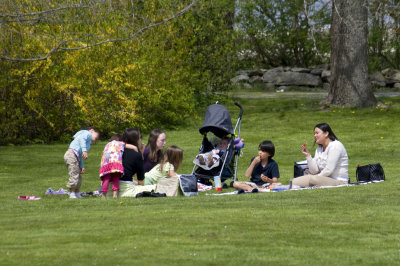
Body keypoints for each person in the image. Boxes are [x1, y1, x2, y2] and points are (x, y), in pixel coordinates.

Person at [292, 123, 349, 187]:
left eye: (317, 133)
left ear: (326, 133)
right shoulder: (319, 149)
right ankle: (293, 183)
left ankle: (294, 184)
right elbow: (314, 171)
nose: (314, 135)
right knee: (305, 177)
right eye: (314, 133)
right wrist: (308, 156)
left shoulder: (335, 146)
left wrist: (316, 177)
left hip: (339, 181)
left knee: (312, 178)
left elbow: (329, 170)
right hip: (323, 178)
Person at [113, 128, 156, 197]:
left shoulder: (115, 151)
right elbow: (141, 180)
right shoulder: (135, 155)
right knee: (155, 187)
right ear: (137, 140)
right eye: (140, 138)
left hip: (110, 189)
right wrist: (141, 155)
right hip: (125, 190)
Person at [64, 127, 99, 199]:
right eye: (96, 136)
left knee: (78, 177)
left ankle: (77, 192)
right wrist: (84, 150)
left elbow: (80, 155)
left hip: (76, 157)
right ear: (92, 131)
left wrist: (81, 165)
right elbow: (82, 139)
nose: (96, 139)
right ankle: (72, 193)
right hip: (71, 155)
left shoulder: (88, 142)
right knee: (74, 174)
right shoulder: (87, 133)